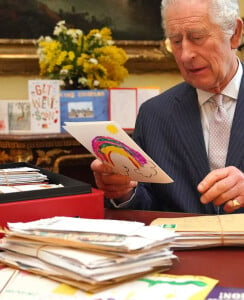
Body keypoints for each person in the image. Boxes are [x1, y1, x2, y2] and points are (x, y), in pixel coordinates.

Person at [91, 0, 244, 214]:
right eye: (176, 41)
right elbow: (148, 205)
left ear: (235, 34)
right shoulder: (154, 114)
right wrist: (123, 192)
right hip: (177, 246)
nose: (185, 55)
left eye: (197, 38)